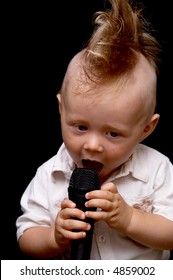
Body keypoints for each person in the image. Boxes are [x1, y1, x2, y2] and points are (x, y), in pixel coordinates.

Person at [16, 0, 173, 260]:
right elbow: (26, 236)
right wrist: (53, 237)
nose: (91, 145)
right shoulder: (49, 175)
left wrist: (130, 219)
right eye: (80, 127)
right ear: (61, 109)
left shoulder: (157, 170)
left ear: (146, 128)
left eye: (112, 134)